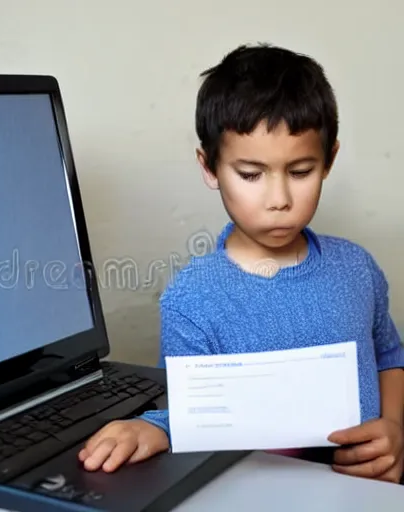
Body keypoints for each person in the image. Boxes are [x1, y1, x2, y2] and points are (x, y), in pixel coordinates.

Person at [78, 43, 404, 483]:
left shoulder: (357, 269)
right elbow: (192, 417)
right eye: (251, 175)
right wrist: (151, 428)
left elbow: (389, 356)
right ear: (209, 167)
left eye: (301, 171)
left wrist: (395, 427)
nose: (279, 200)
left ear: (329, 160)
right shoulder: (191, 302)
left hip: (371, 492)